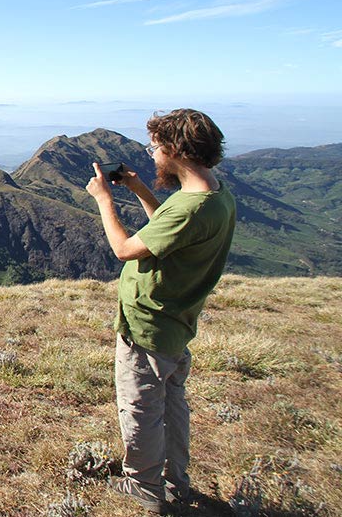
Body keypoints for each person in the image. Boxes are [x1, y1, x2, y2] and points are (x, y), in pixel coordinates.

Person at [85, 109, 236, 515]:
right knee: (171, 405)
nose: (151, 154)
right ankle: (175, 480)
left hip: (149, 325)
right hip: (175, 323)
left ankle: (144, 487)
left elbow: (125, 249)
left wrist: (104, 199)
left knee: (141, 408)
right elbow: (166, 230)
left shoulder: (191, 208)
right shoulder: (214, 196)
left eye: (155, 147)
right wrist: (138, 189)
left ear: (175, 150)